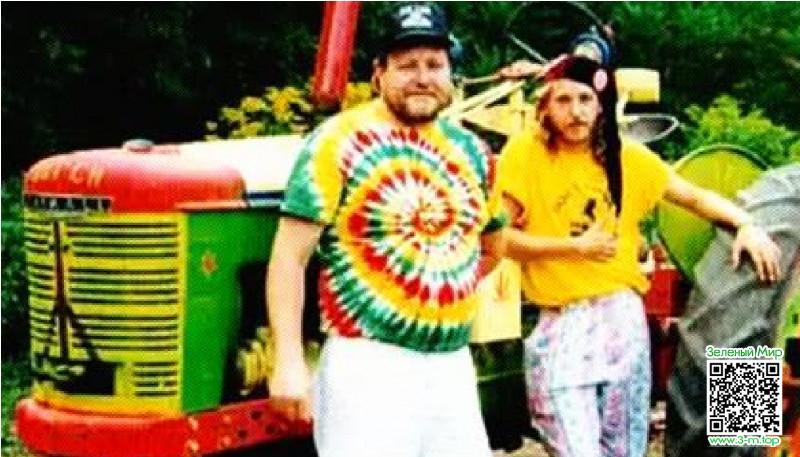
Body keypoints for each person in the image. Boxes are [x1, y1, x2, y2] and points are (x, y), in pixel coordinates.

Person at [495, 55, 782, 457]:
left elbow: (695, 197)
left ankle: (741, 444)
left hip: (621, 315)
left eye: (585, 99)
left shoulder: (630, 158)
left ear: (602, 105)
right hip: (562, 320)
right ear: (545, 107)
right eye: (563, 100)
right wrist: (575, 248)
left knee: (625, 449)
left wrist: (747, 224)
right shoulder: (526, 154)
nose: (576, 112)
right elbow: (495, 238)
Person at [265, 3, 505, 457]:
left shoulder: (473, 152)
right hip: (368, 365)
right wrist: (289, 361)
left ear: (451, 73)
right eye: (407, 65)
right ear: (378, 74)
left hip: (452, 366)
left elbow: (493, 246)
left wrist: (434, 295)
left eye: (434, 64)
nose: (422, 77)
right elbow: (289, 258)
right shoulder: (337, 142)